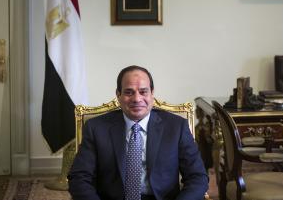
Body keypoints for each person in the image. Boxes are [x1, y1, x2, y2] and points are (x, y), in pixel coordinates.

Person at [68, 65, 208, 200]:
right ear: (118, 95)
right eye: (129, 92)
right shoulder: (96, 128)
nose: (136, 99)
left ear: (152, 93)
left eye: (143, 91)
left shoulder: (176, 127)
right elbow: (79, 177)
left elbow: (197, 177)